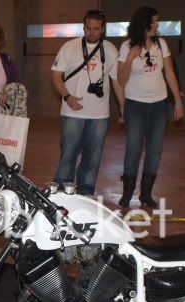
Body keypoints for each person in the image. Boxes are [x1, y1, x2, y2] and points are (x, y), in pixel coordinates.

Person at [51, 10, 124, 197]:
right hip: (72, 112)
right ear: (83, 28)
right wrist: (67, 97)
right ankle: (61, 193)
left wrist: (123, 107)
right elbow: (55, 76)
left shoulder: (110, 50)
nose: (91, 32)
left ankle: (86, 192)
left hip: (99, 115)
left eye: (96, 29)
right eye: (88, 28)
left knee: (93, 158)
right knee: (68, 155)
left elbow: (116, 81)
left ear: (103, 30)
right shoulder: (69, 47)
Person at [117, 5, 184, 208]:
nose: (157, 25)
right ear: (143, 23)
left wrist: (178, 102)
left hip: (158, 106)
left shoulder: (161, 44)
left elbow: (170, 73)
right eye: (153, 22)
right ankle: (127, 193)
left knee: (155, 150)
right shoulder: (127, 46)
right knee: (134, 149)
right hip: (135, 105)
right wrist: (130, 58)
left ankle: (146, 194)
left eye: (157, 21)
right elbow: (121, 80)